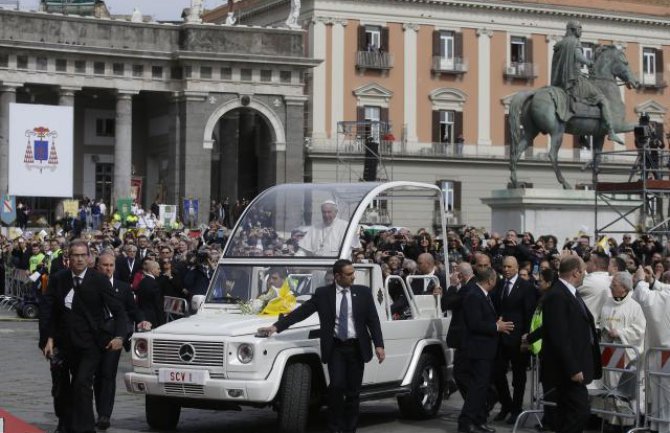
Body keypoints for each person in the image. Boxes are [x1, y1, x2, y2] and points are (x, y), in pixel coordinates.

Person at [257, 259, 385, 433]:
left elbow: (373, 320)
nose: (353, 277)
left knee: (353, 393)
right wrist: (276, 327)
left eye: (353, 273)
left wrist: (379, 345)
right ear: (337, 276)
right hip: (336, 348)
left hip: (356, 348)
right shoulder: (323, 294)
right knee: (337, 387)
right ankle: (335, 428)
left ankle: (350, 429)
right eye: (349, 274)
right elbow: (301, 312)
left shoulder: (363, 293)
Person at [39, 241, 128, 433]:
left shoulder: (99, 280)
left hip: (90, 344)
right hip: (64, 343)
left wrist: (120, 336)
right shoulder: (59, 279)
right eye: (75, 255)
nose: (79, 259)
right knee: (62, 387)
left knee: (82, 384)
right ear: (68, 258)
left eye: (82, 255)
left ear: (89, 257)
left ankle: (86, 429)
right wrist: (48, 338)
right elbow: (49, 311)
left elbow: (119, 311)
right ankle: (65, 423)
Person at [542, 255, 602, 433]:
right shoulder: (558, 295)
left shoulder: (570, 292)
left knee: (568, 413)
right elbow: (560, 335)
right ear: (576, 272)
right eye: (583, 271)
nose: (585, 274)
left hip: (574, 366)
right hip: (568, 370)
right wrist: (573, 368)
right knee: (579, 412)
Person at [94, 251, 151, 430]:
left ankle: (105, 415)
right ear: (97, 266)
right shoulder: (90, 285)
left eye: (111, 265)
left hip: (115, 335)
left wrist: (142, 319)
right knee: (97, 376)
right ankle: (99, 408)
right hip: (94, 335)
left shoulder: (122, 287)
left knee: (108, 374)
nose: (108, 269)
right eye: (104, 265)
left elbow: (132, 310)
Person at [458, 267, 515, 433]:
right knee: (477, 389)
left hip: (486, 350)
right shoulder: (474, 296)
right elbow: (475, 324)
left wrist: (494, 321)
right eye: (495, 280)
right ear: (490, 280)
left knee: (482, 389)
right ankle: (466, 423)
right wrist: (496, 326)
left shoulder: (482, 295)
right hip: (478, 350)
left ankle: (477, 421)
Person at [551, 20, 623, 145]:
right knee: (602, 100)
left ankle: (582, 135)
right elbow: (578, 56)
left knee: (583, 103)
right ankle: (611, 132)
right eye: (579, 28)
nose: (581, 31)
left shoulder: (560, 44)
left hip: (560, 82)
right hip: (575, 80)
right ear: (573, 30)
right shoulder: (575, 42)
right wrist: (589, 62)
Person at [595, 271, 645, 428]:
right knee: (609, 390)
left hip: (625, 357)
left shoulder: (635, 306)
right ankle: (611, 422)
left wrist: (620, 333)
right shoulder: (607, 303)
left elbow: (639, 330)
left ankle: (628, 424)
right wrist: (601, 329)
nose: (610, 286)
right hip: (608, 354)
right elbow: (600, 321)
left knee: (623, 392)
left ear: (624, 288)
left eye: (614, 285)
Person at [491, 255, 537, 424]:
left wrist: (526, 338)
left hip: (518, 340)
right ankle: (506, 405)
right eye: (504, 266)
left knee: (518, 377)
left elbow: (529, 313)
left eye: (510, 266)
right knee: (497, 372)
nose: (506, 269)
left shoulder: (526, 287)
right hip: (501, 338)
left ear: (517, 268)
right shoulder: (500, 285)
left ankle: (516, 409)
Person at [631, 266, 670, 433]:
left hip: (665, 358)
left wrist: (640, 280)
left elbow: (646, 299)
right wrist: (652, 281)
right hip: (663, 359)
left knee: (665, 399)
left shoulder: (666, 297)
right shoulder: (665, 294)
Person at [442, 262, 478, 398]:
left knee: (461, 374)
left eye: (455, 272)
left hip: (466, 339)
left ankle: (475, 403)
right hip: (469, 338)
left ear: (461, 276)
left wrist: (452, 286)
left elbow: (446, 304)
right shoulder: (472, 286)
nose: (453, 274)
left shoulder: (468, 288)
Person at [577, 252, 611, 329]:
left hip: (586, 329)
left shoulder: (589, 280)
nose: (586, 263)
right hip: (603, 330)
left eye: (589, 260)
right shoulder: (613, 280)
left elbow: (565, 287)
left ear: (594, 265)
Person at [136, 260, 164, 328]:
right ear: (152, 269)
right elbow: (157, 304)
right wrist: (161, 321)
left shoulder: (142, 282)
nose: (160, 271)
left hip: (142, 316)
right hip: (153, 318)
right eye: (158, 269)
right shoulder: (154, 284)